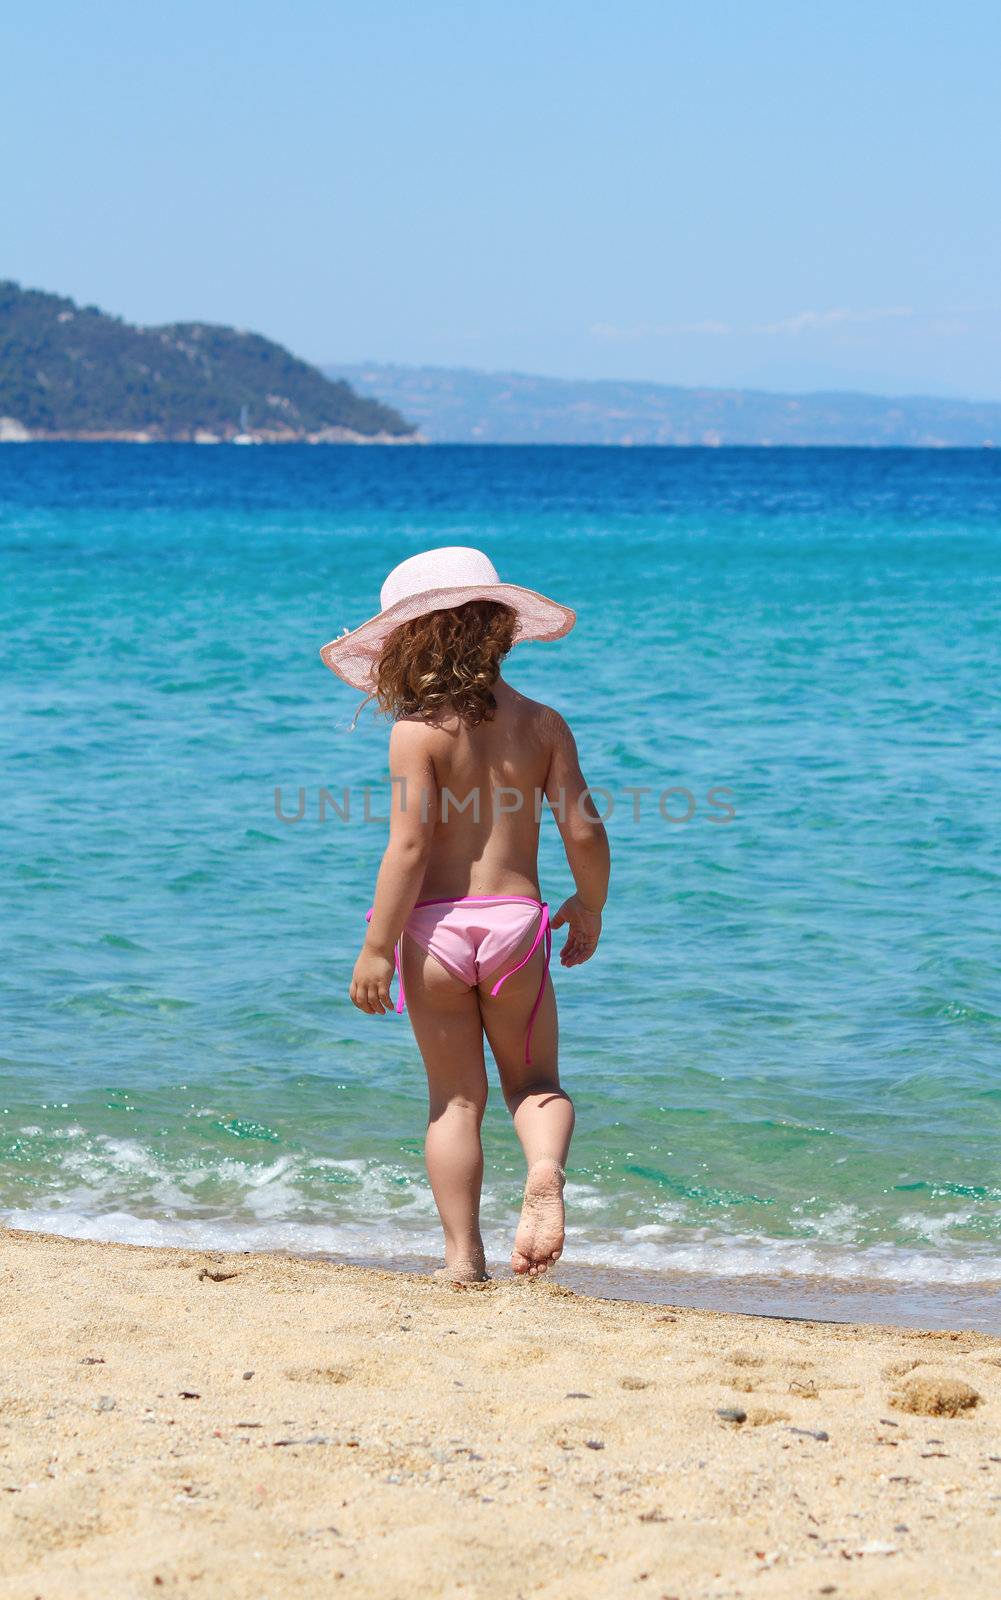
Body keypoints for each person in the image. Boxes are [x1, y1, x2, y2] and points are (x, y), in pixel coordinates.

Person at [321, 547, 610, 1282]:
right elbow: (583, 827)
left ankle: (461, 1262)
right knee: (534, 1082)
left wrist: (377, 947)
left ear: (409, 643)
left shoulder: (414, 732)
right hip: (515, 929)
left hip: (432, 935)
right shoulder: (544, 724)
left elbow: (409, 846)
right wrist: (588, 905)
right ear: (498, 630)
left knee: (453, 1099)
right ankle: (543, 1167)